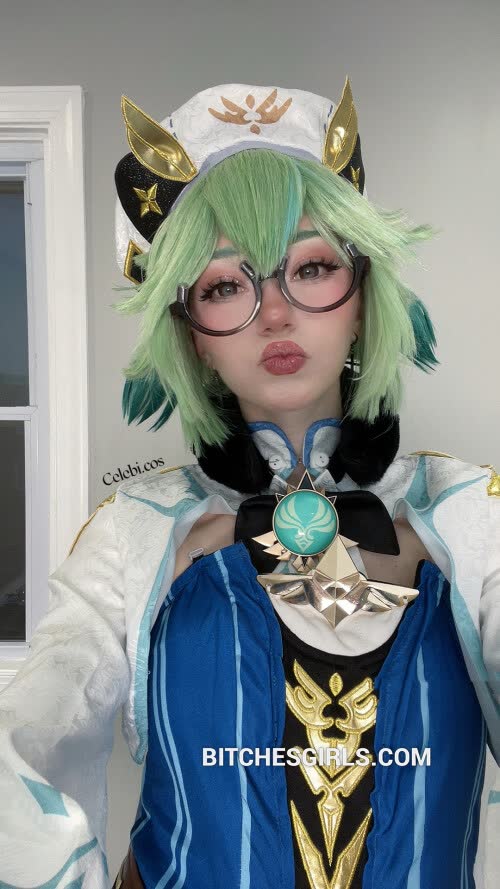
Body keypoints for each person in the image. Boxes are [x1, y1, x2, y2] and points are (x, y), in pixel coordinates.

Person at [1, 78, 499, 889]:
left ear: (362, 297)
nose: (274, 313)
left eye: (312, 267)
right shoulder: (134, 532)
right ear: (192, 333)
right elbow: (23, 743)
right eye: (227, 285)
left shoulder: (474, 516)